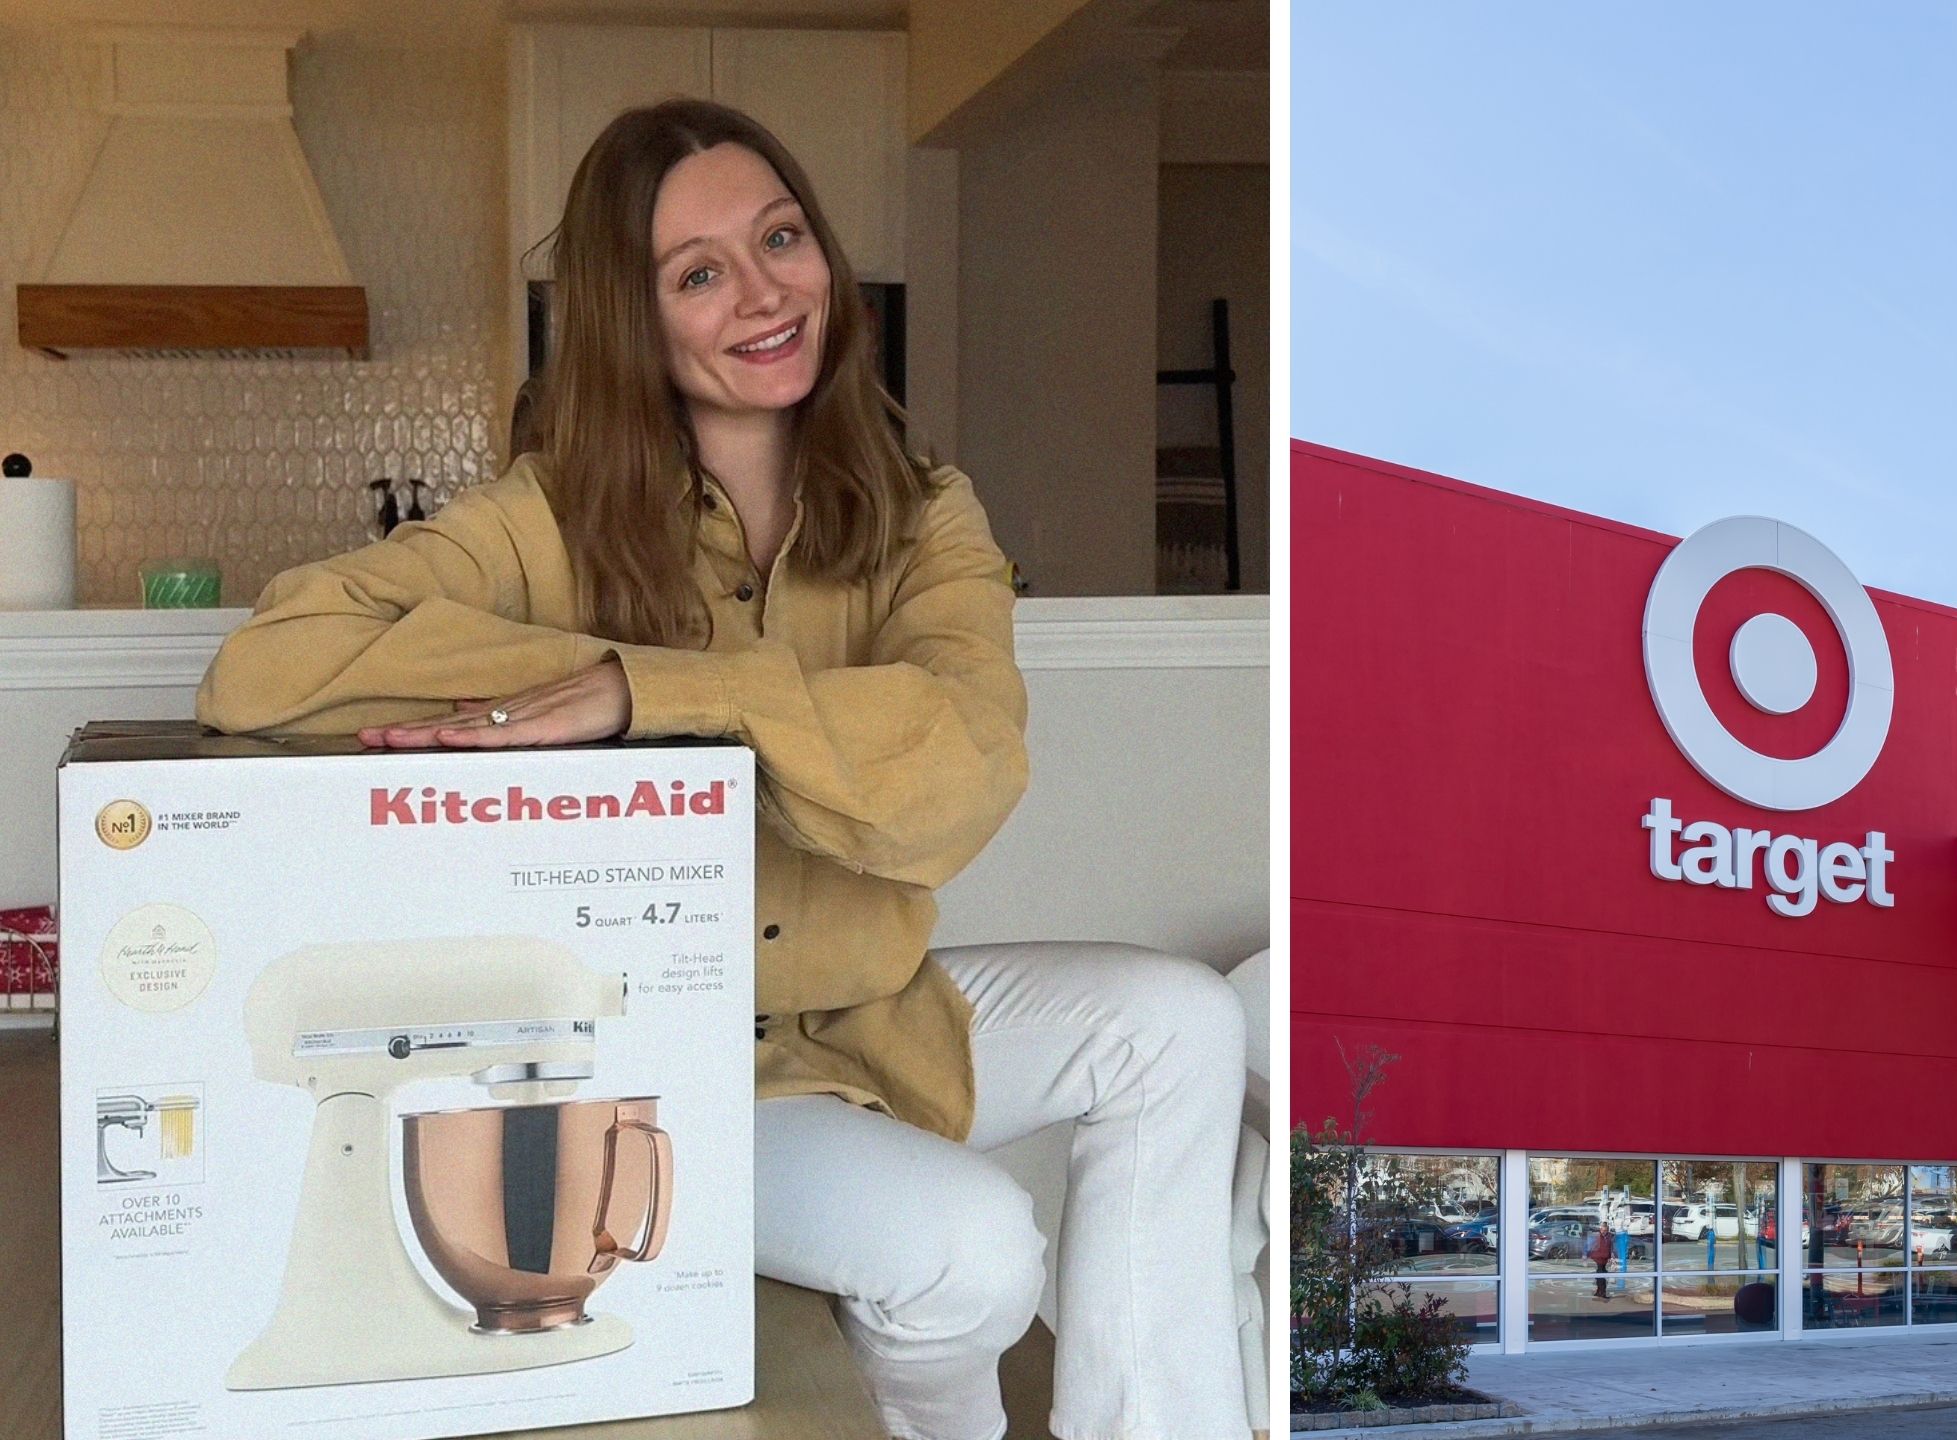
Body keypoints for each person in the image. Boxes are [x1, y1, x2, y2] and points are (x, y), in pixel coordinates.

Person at [196, 99, 1249, 1440]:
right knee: (975, 1254)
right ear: (631, 320)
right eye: (699, 273)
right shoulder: (543, 520)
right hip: (667, 1068)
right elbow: (268, 665)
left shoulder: (925, 514)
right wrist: (592, 680)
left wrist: (658, 694)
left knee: (1179, 1023)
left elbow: (966, 766)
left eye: (782, 238)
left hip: (872, 1015)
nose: (765, 294)